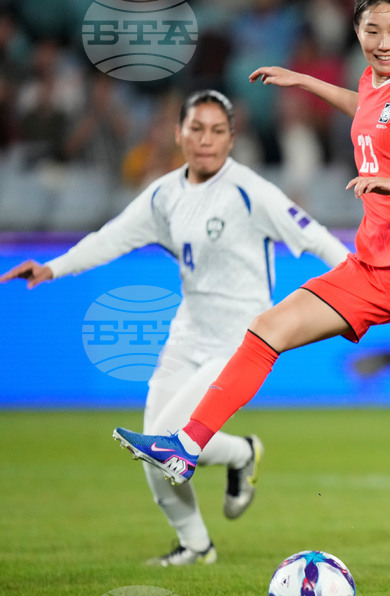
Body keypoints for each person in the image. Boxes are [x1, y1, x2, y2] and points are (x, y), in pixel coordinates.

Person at [112, 0, 390, 486]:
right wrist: (305, 82)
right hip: (371, 264)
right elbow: (369, 109)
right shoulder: (374, 81)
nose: (384, 43)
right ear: (357, 32)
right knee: (269, 328)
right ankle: (186, 446)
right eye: (372, 31)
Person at [1, 89, 350, 565]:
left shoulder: (250, 190)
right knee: (153, 447)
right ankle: (199, 539)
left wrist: (359, 290)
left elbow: (317, 238)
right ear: (178, 134)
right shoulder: (164, 195)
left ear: (231, 138)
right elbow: (112, 238)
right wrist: (53, 268)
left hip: (242, 339)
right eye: (197, 128)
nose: (206, 139)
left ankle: (237, 461)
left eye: (217, 130)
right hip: (188, 334)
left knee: (165, 439)